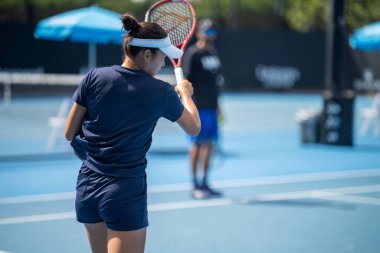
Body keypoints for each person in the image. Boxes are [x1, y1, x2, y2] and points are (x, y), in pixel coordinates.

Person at [64, 13, 200, 253]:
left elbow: (69, 133)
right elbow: (194, 127)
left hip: (87, 187)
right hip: (123, 192)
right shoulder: (161, 91)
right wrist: (186, 94)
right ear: (147, 55)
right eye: (162, 57)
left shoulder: (94, 76)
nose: (164, 63)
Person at [182, 19, 224, 199]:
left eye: (212, 32)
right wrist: (189, 105)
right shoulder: (193, 54)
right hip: (197, 109)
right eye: (207, 32)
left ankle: (205, 181)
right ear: (199, 33)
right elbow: (186, 83)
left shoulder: (213, 54)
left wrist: (217, 106)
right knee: (196, 145)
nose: (209, 35)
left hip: (211, 108)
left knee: (209, 144)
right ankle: (195, 184)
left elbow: (214, 83)